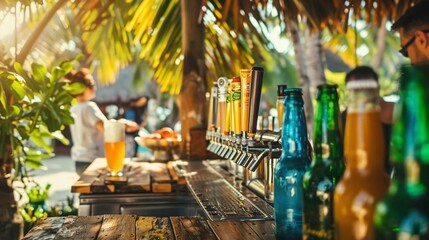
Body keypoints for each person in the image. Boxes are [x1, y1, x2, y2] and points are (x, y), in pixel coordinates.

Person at [66, 69, 138, 175]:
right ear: (84, 88)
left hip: (79, 159)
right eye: (92, 84)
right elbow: (106, 127)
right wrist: (123, 124)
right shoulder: (89, 106)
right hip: (92, 159)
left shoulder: (73, 108)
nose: (95, 88)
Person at [342, 66, 394, 174]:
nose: (363, 93)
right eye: (356, 89)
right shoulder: (345, 119)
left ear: (377, 87)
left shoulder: (398, 111)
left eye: (367, 86)